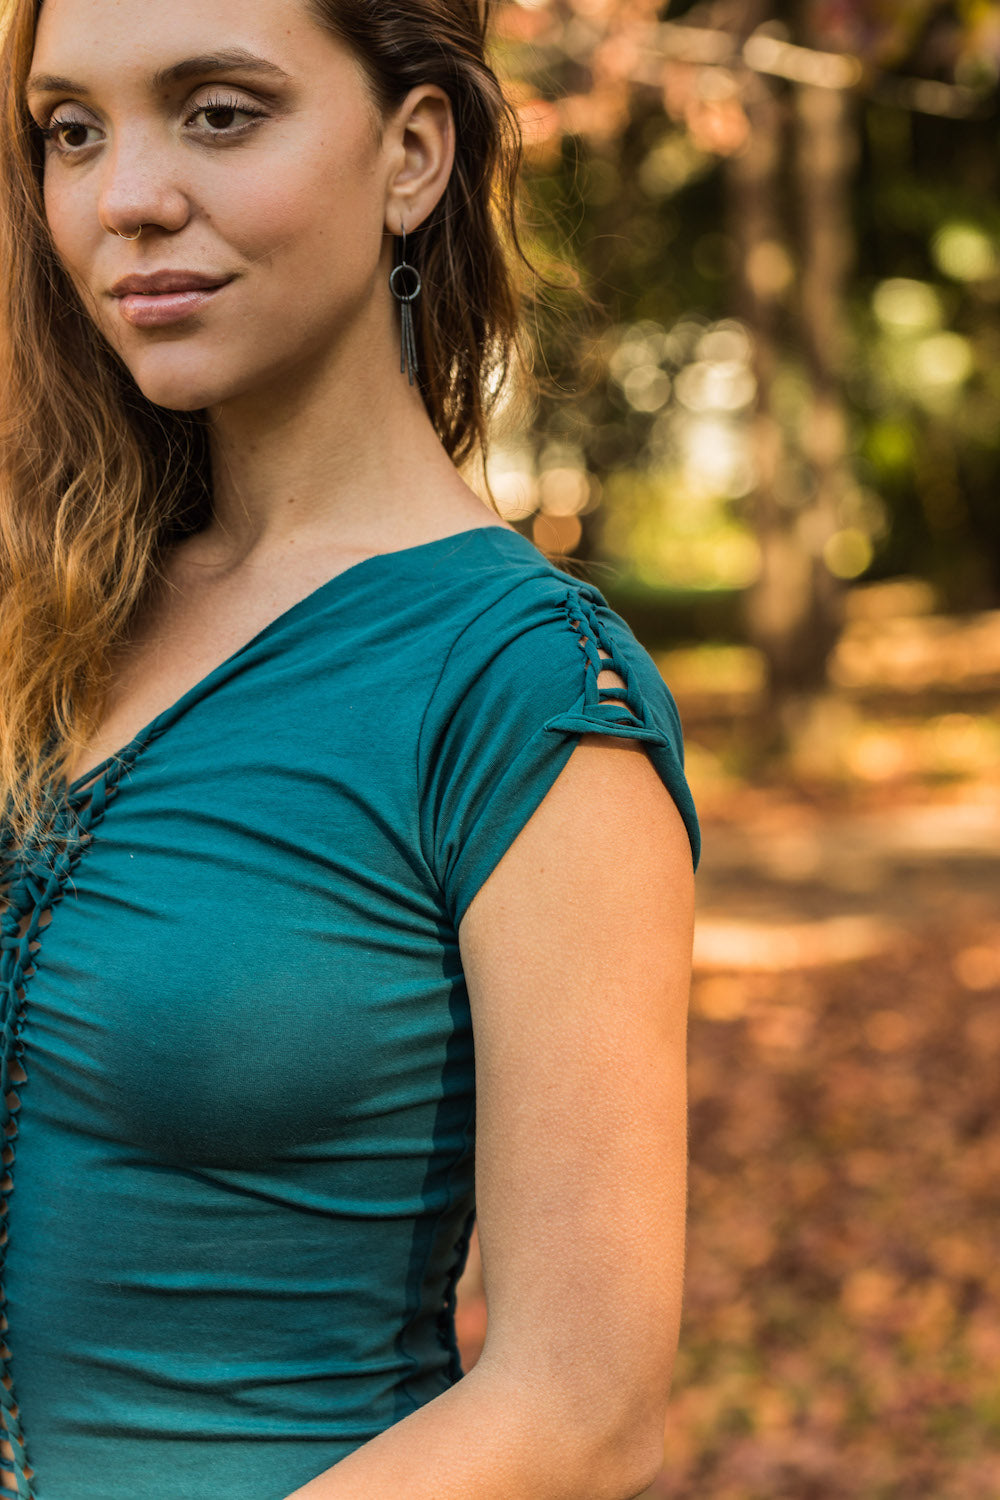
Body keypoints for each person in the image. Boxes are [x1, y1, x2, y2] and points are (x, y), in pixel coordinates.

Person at [0, 0, 700, 1495]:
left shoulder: (522, 688)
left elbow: (584, 1408)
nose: (126, 195)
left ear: (413, 156)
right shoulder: (44, 609)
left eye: (220, 112)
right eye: (73, 130)